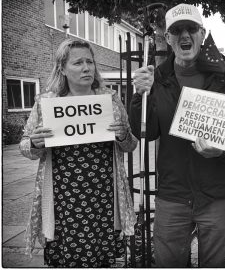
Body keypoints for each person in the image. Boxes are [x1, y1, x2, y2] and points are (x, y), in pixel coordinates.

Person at [129, 3, 225, 267]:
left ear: (203, 33)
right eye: (177, 30)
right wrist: (139, 96)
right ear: (167, 38)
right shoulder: (157, 77)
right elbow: (145, 130)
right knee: (168, 263)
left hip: (217, 193)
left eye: (191, 29)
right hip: (173, 193)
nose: (185, 36)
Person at [20, 39, 138, 267]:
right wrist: (35, 143)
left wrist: (123, 135)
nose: (86, 68)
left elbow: (131, 144)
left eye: (90, 62)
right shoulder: (47, 103)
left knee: (100, 258)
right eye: (78, 63)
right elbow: (25, 146)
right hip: (63, 199)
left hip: (103, 197)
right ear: (62, 68)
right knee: (68, 258)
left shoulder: (111, 101)